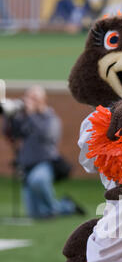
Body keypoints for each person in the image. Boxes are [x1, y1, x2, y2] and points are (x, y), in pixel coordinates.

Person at [3, 86, 85, 219]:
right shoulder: (24, 118)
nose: (30, 101)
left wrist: (30, 114)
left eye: (34, 98)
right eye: (28, 97)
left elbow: (46, 135)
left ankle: (53, 208)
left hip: (45, 162)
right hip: (26, 166)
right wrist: (9, 117)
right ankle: (67, 206)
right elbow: (10, 134)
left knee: (38, 180)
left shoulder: (50, 118)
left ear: (43, 100)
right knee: (36, 214)